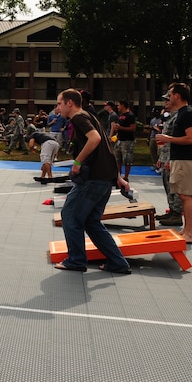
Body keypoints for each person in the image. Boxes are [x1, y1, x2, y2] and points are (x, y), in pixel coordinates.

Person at [54, 88, 131, 274]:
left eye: (59, 104)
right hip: (104, 179)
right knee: (91, 222)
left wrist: (77, 162)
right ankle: (117, 262)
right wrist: (117, 177)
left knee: (70, 216)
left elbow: (95, 139)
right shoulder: (90, 116)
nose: (57, 108)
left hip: (93, 180)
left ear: (69, 103)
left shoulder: (79, 117)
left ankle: (76, 260)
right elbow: (106, 144)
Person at [156, 83, 192, 244]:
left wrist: (168, 139)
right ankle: (186, 230)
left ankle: (190, 233)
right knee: (182, 195)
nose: (168, 96)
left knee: (186, 196)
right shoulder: (181, 113)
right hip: (179, 159)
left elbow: (191, 138)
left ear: (177, 96)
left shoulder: (188, 113)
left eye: (170, 93)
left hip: (185, 160)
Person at [110, 100, 136, 180]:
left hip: (127, 140)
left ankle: (126, 176)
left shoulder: (130, 115)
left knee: (127, 159)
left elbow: (133, 128)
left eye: (118, 105)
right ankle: (118, 175)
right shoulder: (120, 116)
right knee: (118, 158)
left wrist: (120, 128)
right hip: (119, 139)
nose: (117, 107)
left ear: (123, 105)